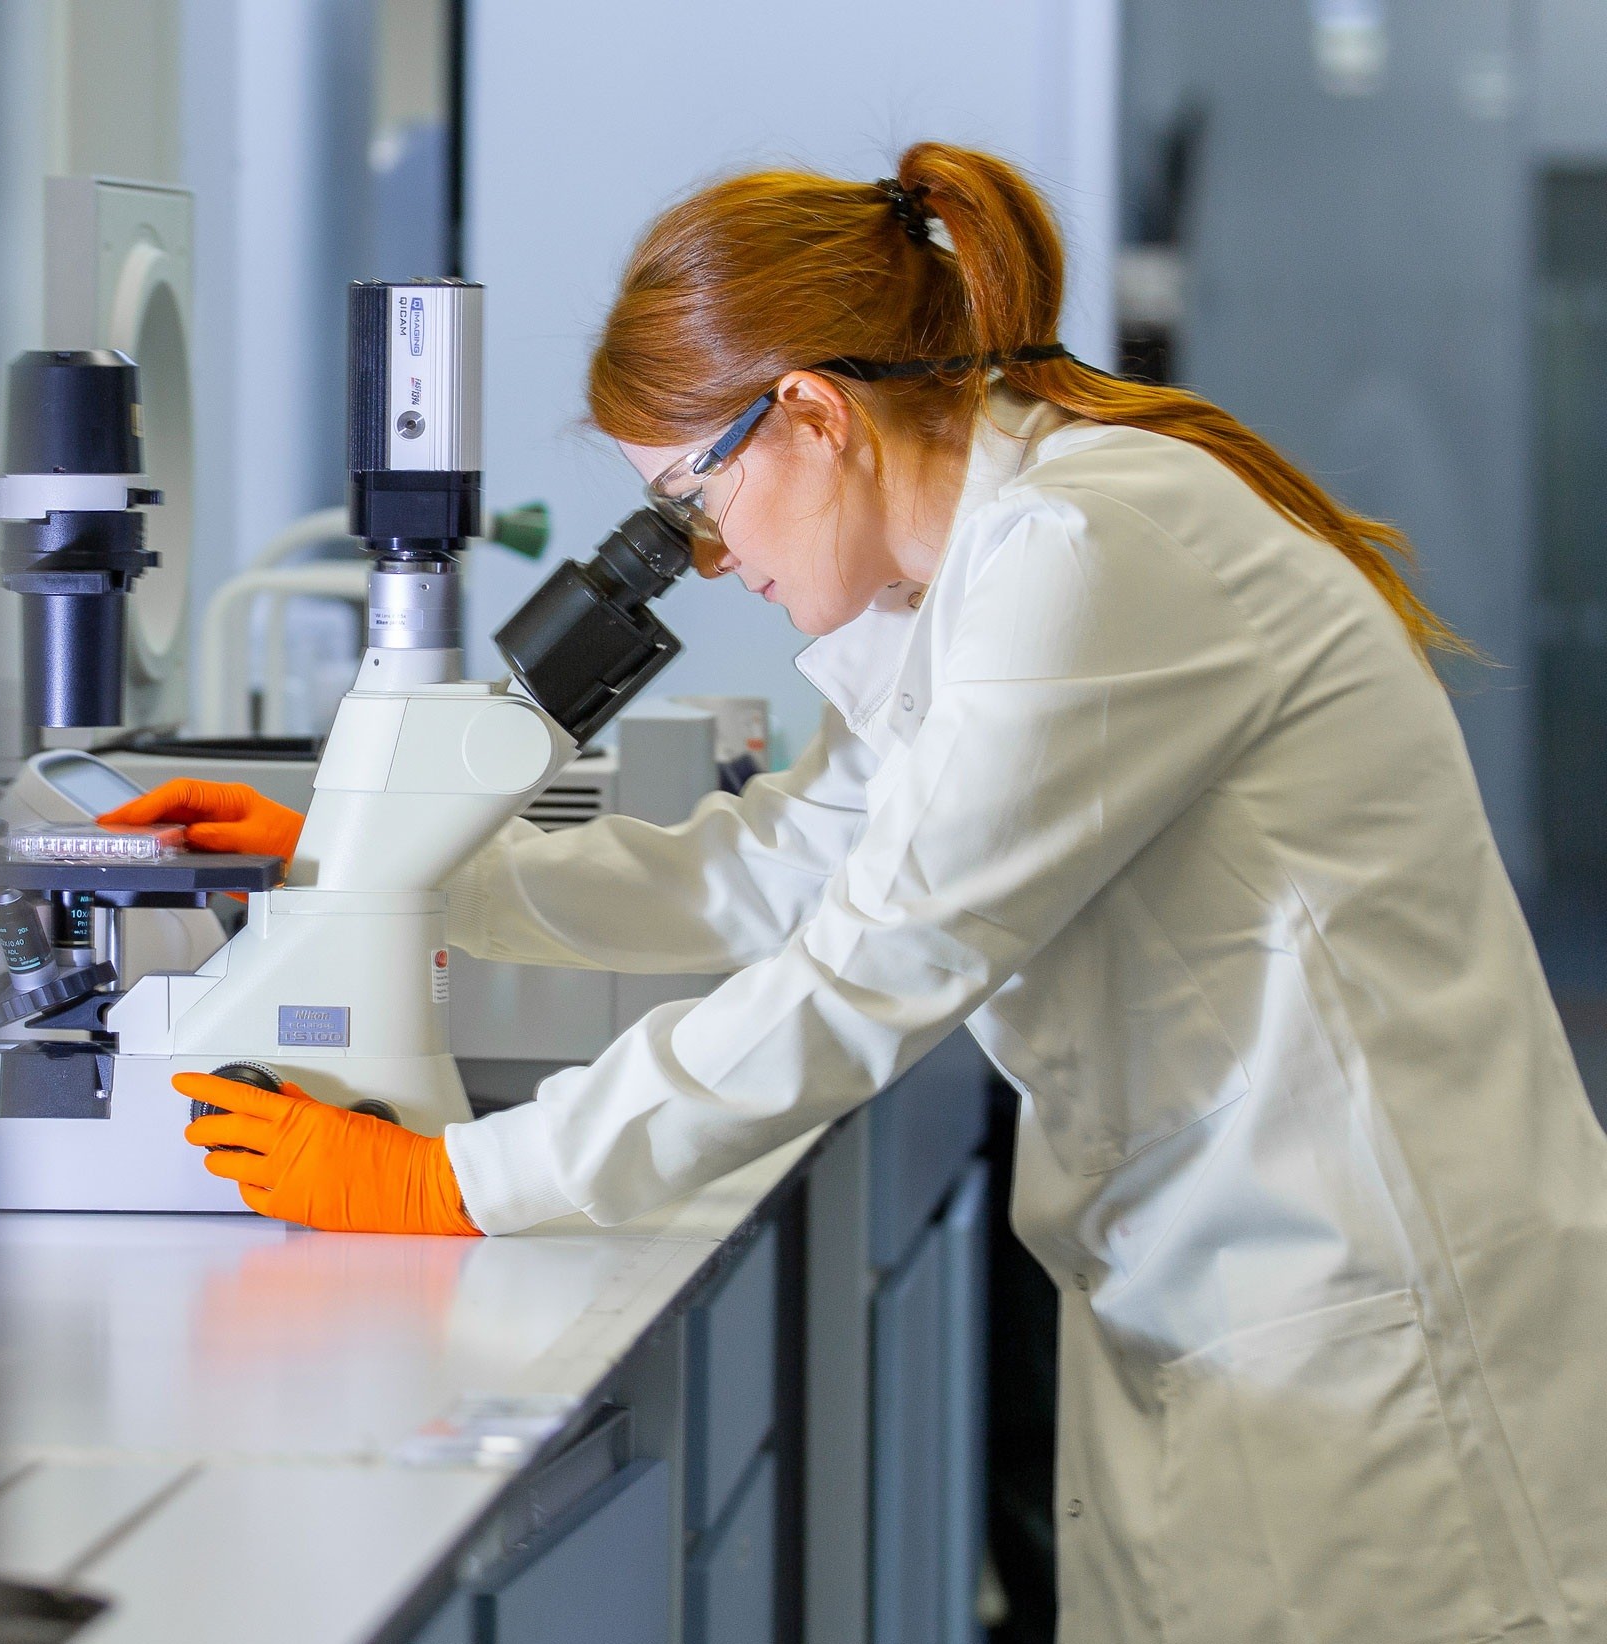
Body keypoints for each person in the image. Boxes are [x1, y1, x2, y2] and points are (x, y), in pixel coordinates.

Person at [103, 143, 1607, 1642]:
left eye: (698, 503)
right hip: (1224, 1309)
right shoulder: (960, 582)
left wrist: (461, 1181)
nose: (701, 560)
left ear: (811, 413)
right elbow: (782, 869)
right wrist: (393, 873)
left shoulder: (1089, 548)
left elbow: (868, 972)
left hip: (1370, 1326)